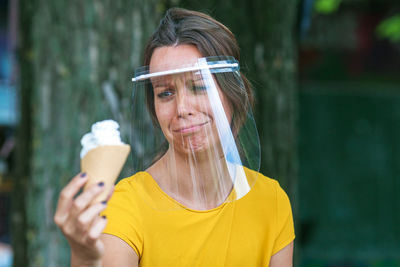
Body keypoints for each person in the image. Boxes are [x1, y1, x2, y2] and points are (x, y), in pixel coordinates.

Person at [54, 7, 295, 267]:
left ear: (232, 94)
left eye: (200, 86)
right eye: (165, 93)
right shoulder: (124, 205)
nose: (182, 109)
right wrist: (86, 258)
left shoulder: (271, 202)